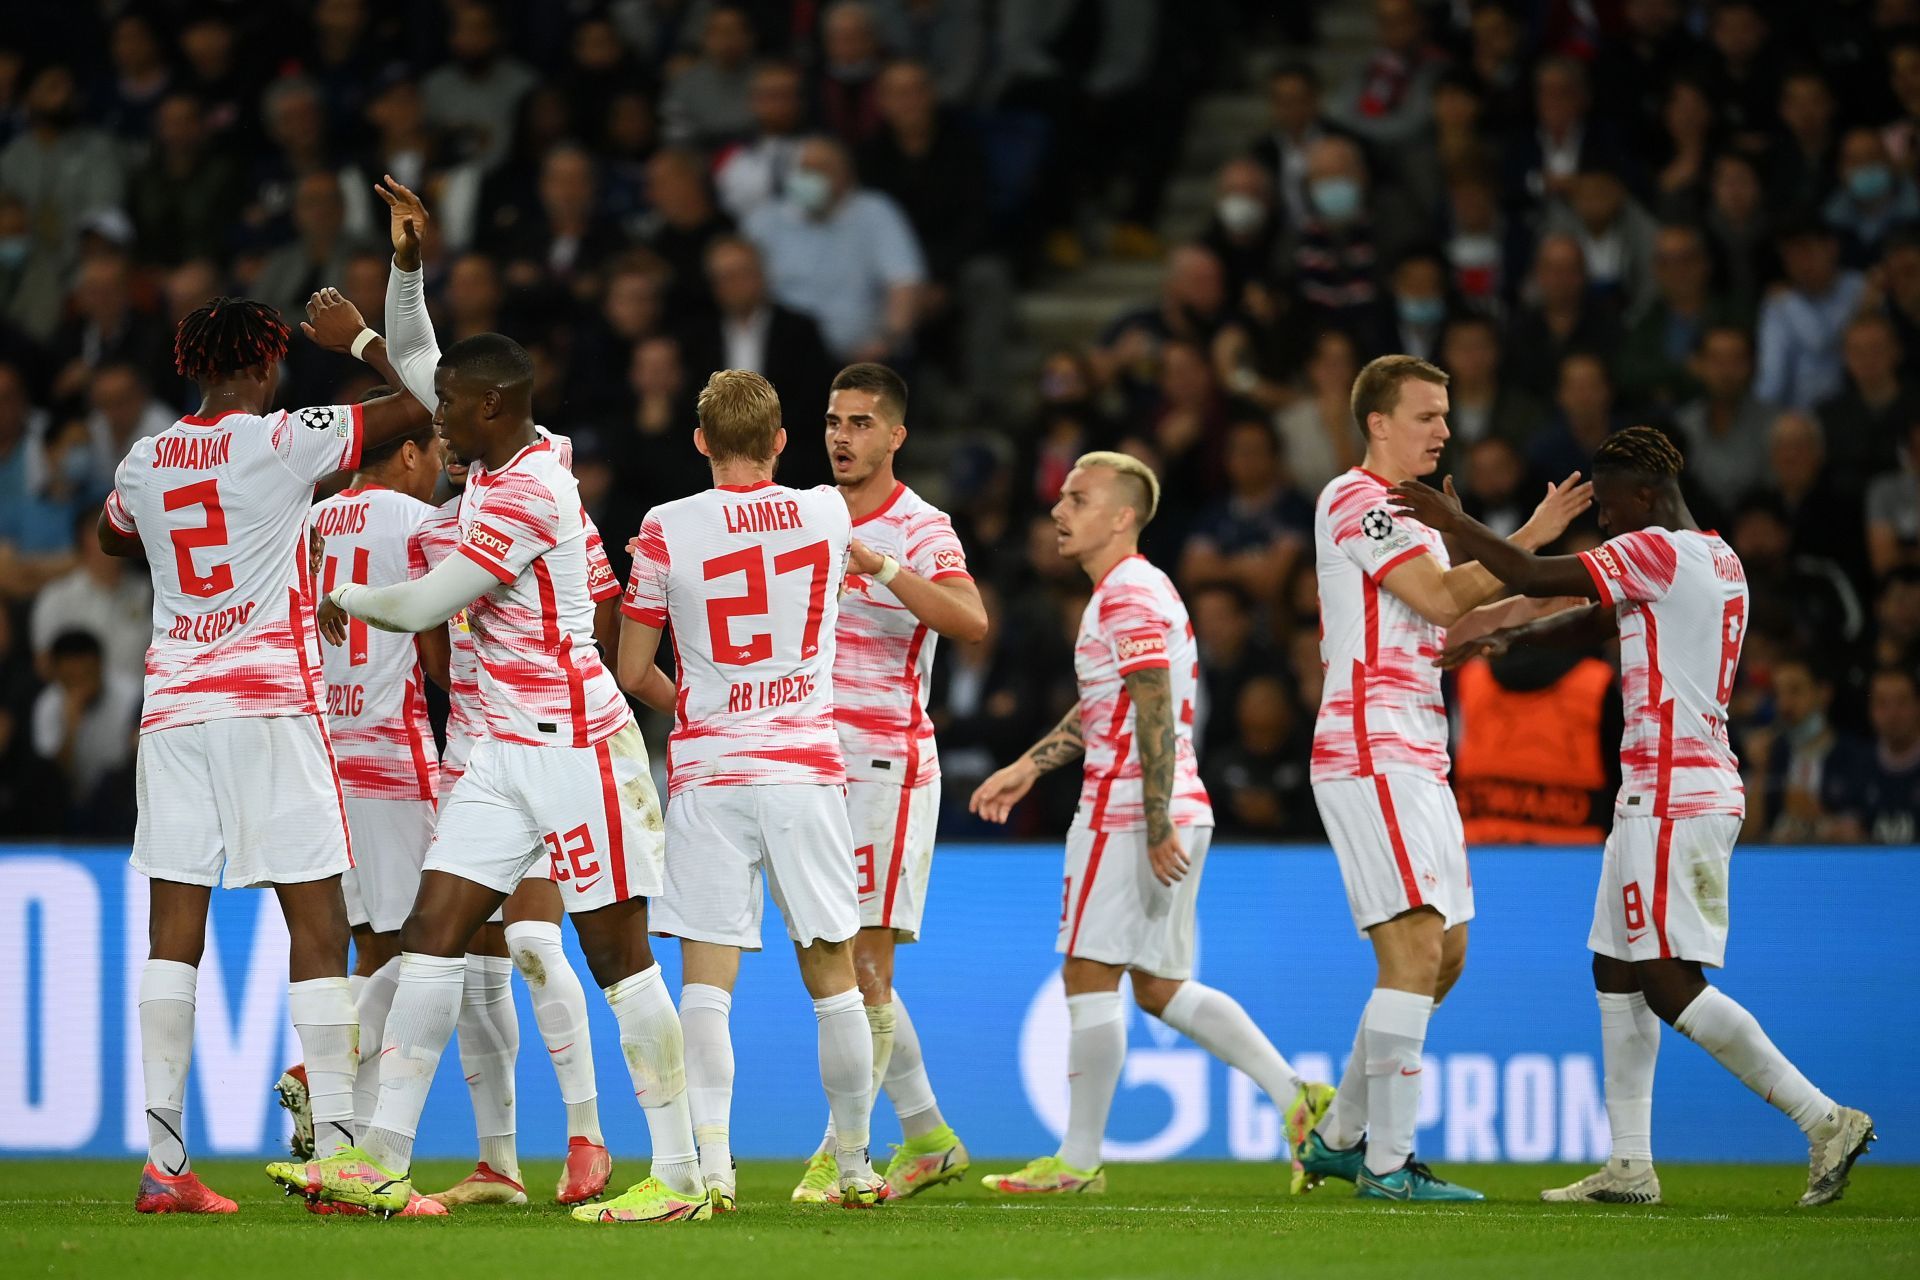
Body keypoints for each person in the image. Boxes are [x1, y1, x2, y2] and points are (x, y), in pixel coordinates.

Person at [271, 179, 706, 1226]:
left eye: (455, 413)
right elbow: (419, 361)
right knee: (435, 930)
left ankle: (684, 1171)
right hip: (498, 748)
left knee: (612, 952)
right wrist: (408, 269)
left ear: (498, 409)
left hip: (574, 744)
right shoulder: (502, 443)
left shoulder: (529, 489)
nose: (439, 423)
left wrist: (346, 592)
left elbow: (430, 598)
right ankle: (377, 1157)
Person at [1394, 425, 1876, 1209]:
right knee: (1614, 968)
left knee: (1666, 980)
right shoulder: (1716, 557)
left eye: (1613, 507)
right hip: (1664, 792)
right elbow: (1594, 619)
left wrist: (1457, 528)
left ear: (1646, 497)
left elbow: (1534, 570)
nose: (1607, 522)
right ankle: (1629, 1166)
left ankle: (1823, 1119)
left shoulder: (1655, 546)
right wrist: (1512, 636)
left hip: (1674, 793)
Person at [98, 284, 434, 1214]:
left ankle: (164, 1164)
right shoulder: (285, 440)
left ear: (195, 367)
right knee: (319, 925)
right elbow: (426, 404)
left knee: (175, 934)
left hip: (173, 712)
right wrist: (361, 340)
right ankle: (335, 1158)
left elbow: (110, 535)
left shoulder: (143, 462)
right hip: (272, 708)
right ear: (265, 362)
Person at [968, 451, 1333, 1197]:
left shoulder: (1126, 593)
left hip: (1132, 811)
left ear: (1122, 516)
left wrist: (1156, 818)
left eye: (1078, 498)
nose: (1058, 511)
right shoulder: (1135, 592)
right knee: (1162, 987)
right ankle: (1298, 1098)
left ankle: (1077, 1162)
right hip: (1167, 805)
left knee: (1087, 970)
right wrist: (1033, 765)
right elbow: (1114, 702)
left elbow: (1153, 703)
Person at [1297, 355, 1591, 1202]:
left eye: (1446, 414)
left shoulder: (1417, 519)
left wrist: (1577, 588)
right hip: (1369, 745)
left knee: (1446, 954)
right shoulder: (1357, 499)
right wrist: (1527, 537)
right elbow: (1435, 596)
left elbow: (1463, 615)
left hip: (1418, 750)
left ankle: (1341, 1136)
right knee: (1415, 949)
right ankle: (1388, 1167)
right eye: (1427, 415)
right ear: (1378, 423)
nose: (1445, 430)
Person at [616, 367, 883, 1211]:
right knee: (833, 975)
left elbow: (631, 670)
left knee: (706, 981)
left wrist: (696, 699)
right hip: (806, 768)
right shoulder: (825, 510)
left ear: (699, 442)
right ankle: (854, 1168)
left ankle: (713, 1170)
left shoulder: (664, 528)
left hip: (709, 772)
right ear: (779, 442)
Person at [403, 428, 621, 1209]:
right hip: (470, 761)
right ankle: (498, 1164)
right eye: (441, 437)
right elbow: (433, 660)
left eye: (457, 432)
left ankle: (587, 1136)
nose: (453, 449)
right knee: (476, 972)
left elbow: (595, 603)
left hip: (541, 744)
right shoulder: (429, 534)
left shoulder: (548, 505)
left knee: (533, 941)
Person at [788, 362, 987, 1203]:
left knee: (865, 957)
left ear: (897, 435)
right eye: (835, 420)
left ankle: (847, 1154)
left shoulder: (922, 526)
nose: (842, 435)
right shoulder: (800, 514)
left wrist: (877, 567)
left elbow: (971, 620)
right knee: (832, 959)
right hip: (806, 762)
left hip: (885, 764)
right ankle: (929, 1135)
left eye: (862, 422)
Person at [288, 393, 449, 1218]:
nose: (445, 469)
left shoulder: (312, 516)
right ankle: (353, 1140)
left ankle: (332, 1116)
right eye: (440, 455)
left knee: (353, 946)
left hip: (322, 756)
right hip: (392, 758)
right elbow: (439, 639)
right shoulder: (412, 521)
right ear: (410, 453)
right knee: (411, 952)